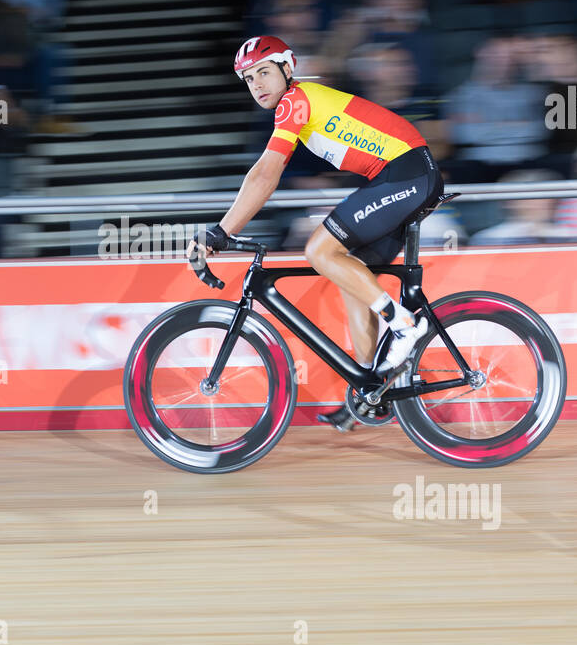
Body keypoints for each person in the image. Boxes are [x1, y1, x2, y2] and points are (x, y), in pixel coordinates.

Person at [189, 35, 442, 433]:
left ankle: (407, 326)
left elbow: (265, 175)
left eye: (264, 73)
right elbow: (268, 175)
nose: (257, 84)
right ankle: (371, 391)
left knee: (320, 250)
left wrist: (220, 232)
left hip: (407, 172)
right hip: (403, 174)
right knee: (353, 277)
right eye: (249, 78)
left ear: (288, 69)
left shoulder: (295, 100)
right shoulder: (297, 107)